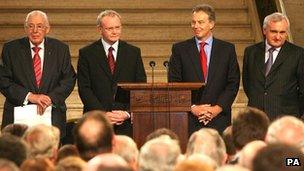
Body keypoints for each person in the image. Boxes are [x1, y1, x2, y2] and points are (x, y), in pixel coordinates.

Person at [0, 10, 76, 137]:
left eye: (40, 26)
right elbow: (3, 80)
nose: (35, 30)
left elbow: (69, 79)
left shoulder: (60, 49)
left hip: (52, 115)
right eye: (31, 26)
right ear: (25, 28)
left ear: (47, 29)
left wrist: (50, 98)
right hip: (18, 118)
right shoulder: (11, 49)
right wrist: (30, 96)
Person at [168, 4, 240, 134]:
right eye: (193, 22)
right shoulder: (179, 49)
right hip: (190, 118)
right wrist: (193, 108)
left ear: (211, 24)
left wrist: (216, 109)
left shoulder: (227, 49)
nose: (196, 26)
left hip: (219, 118)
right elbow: (174, 84)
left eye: (200, 22)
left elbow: (233, 83)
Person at [77, 10, 147, 137]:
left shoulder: (133, 52)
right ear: (100, 29)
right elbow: (84, 88)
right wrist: (103, 113)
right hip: (96, 121)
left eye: (117, 27)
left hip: (125, 123)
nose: (115, 32)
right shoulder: (87, 53)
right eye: (110, 28)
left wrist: (126, 113)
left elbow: (140, 86)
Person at [242, 12, 304, 120]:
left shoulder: (298, 54)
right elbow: (248, 84)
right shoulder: (251, 52)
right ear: (264, 30)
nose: (278, 37)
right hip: (256, 118)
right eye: (274, 31)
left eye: (282, 32)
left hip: (285, 119)